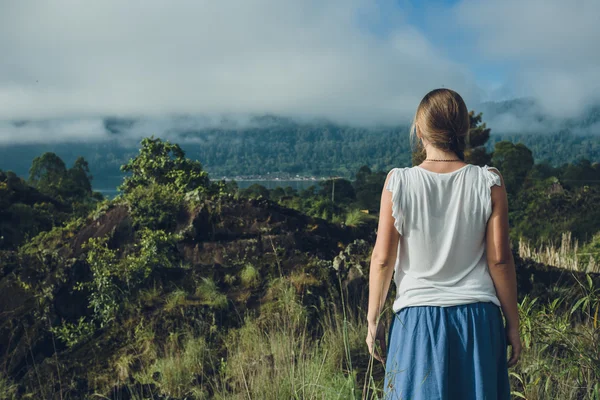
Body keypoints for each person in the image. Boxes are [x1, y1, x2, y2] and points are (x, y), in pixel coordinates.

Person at [366, 88, 521, 399]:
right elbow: (500, 261)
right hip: (478, 322)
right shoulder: (489, 181)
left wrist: (373, 319)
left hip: (417, 324)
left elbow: (383, 259)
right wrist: (513, 325)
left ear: (420, 131)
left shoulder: (399, 183)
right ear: (463, 130)